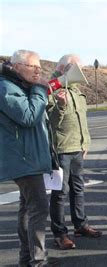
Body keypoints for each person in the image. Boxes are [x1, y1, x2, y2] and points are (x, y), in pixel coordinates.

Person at [0, 50, 53, 266]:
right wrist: (40, 89)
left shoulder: (18, 85)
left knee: (27, 208)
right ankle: (37, 260)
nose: (38, 71)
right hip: (23, 159)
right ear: (17, 66)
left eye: (40, 67)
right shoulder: (6, 87)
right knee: (39, 208)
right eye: (33, 67)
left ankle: (27, 257)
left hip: (27, 157)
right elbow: (28, 116)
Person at [48, 54, 102, 250]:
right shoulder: (50, 90)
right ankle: (60, 233)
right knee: (60, 193)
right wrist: (60, 107)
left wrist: (85, 143)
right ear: (64, 69)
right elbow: (50, 123)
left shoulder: (76, 91)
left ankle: (80, 224)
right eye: (76, 70)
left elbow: (82, 121)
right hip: (61, 149)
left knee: (78, 189)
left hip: (78, 148)